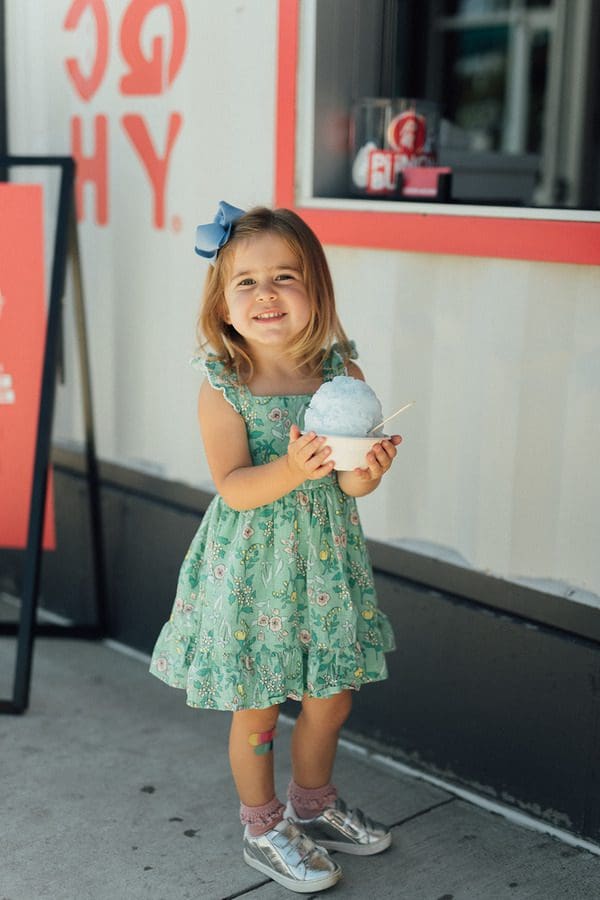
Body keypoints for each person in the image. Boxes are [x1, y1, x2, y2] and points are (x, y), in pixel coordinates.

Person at [150, 201, 401, 893]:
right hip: (253, 570)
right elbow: (232, 486)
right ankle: (263, 827)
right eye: (246, 282)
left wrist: (366, 473)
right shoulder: (225, 386)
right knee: (257, 705)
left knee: (332, 696)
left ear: (315, 289)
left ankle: (312, 807)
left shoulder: (337, 367)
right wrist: (291, 469)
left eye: (285, 276)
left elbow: (346, 483)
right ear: (223, 304)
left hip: (324, 566)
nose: (266, 294)